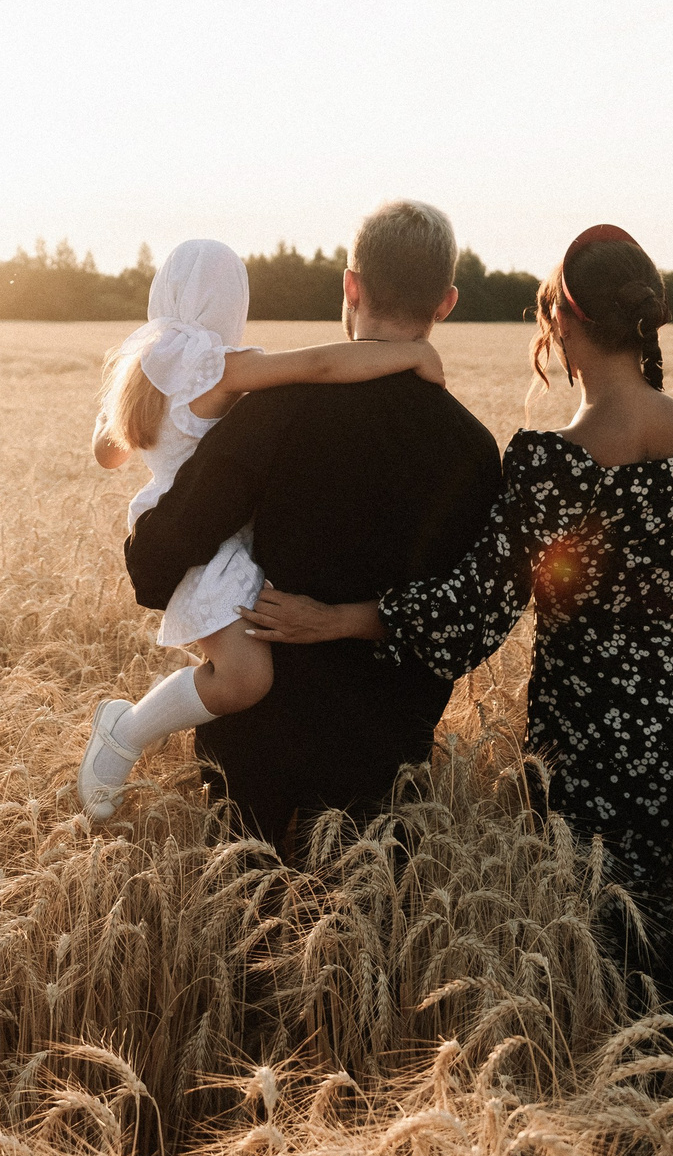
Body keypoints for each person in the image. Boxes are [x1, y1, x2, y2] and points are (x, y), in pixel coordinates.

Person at [243, 224, 673, 959]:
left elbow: (474, 610)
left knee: (603, 946)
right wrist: (667, 648)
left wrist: (335, 618)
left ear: (559, 323)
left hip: (590, 742)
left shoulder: (552, 465)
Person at [120, 201, 503, 850]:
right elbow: (475, 618)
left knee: (241, 934)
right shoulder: (474, 449)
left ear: (350, 285)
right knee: (374, 944)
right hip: (383, 766)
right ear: (446, 302)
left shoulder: (275, 407)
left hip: (255, 755)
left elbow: (159, 560)